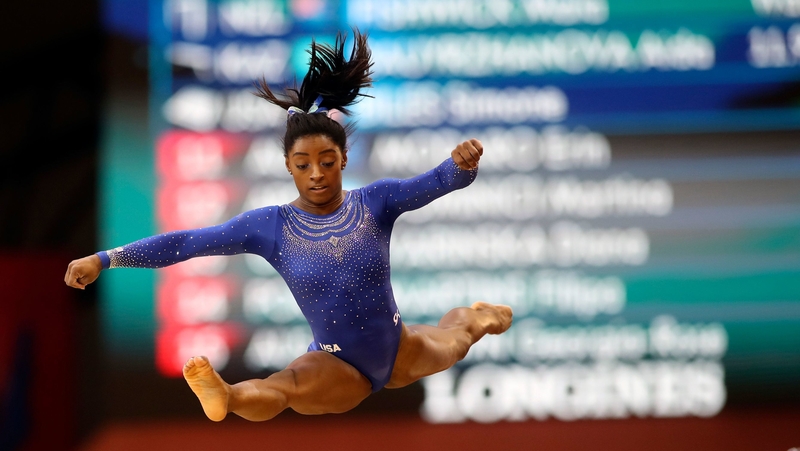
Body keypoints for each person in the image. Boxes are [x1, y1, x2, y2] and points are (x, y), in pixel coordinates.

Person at [64, 29, 512, 422]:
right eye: (303, 164)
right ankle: (226, 395)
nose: (316, 172)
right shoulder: (270, 226)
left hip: (399, 349)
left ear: (343, 160)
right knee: (285, 388)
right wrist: (106, 258)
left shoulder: (375, 202)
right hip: (339, 366)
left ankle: (483, 315)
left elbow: (435, 182)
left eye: (326, 161)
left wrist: (462, 164)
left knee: (457, 337)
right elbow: (187, 243)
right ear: (288, 167)